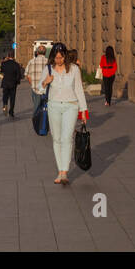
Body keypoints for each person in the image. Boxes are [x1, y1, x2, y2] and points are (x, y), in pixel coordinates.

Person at [42, 45, 89, 184]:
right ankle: (59, 169)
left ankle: (64, 172)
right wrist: (46, 81)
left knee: (67, 138)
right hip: (54, 106)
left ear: (65, 56)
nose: (59, 60)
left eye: (61, 57)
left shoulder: (74, 69)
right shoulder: (48, 69)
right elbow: (39, 88)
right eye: (56, 57)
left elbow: (79, 90)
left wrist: (83, 111)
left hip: (71, 106)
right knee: (56, 139)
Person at [23, 45, 49, 112]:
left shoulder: (31, 62)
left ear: (37, 52)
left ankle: (36, 120)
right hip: (46, 89)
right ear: (45, 53)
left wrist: (32, 84)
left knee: (36, 107)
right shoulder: (48, 62)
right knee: (46, 108)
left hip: (35, 88)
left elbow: (27, 75)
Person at [0, 49, 23, 117]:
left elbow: (2, 71)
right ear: (13, 56)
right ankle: (11, 111)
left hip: (5, 82)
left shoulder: (4, 63)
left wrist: (5, 60)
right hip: (13, 83)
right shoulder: (16, 64)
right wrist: (17, 82)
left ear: (8, 56)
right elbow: (19, 75)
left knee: (5, 96)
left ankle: (4, 108)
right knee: (12, 98)